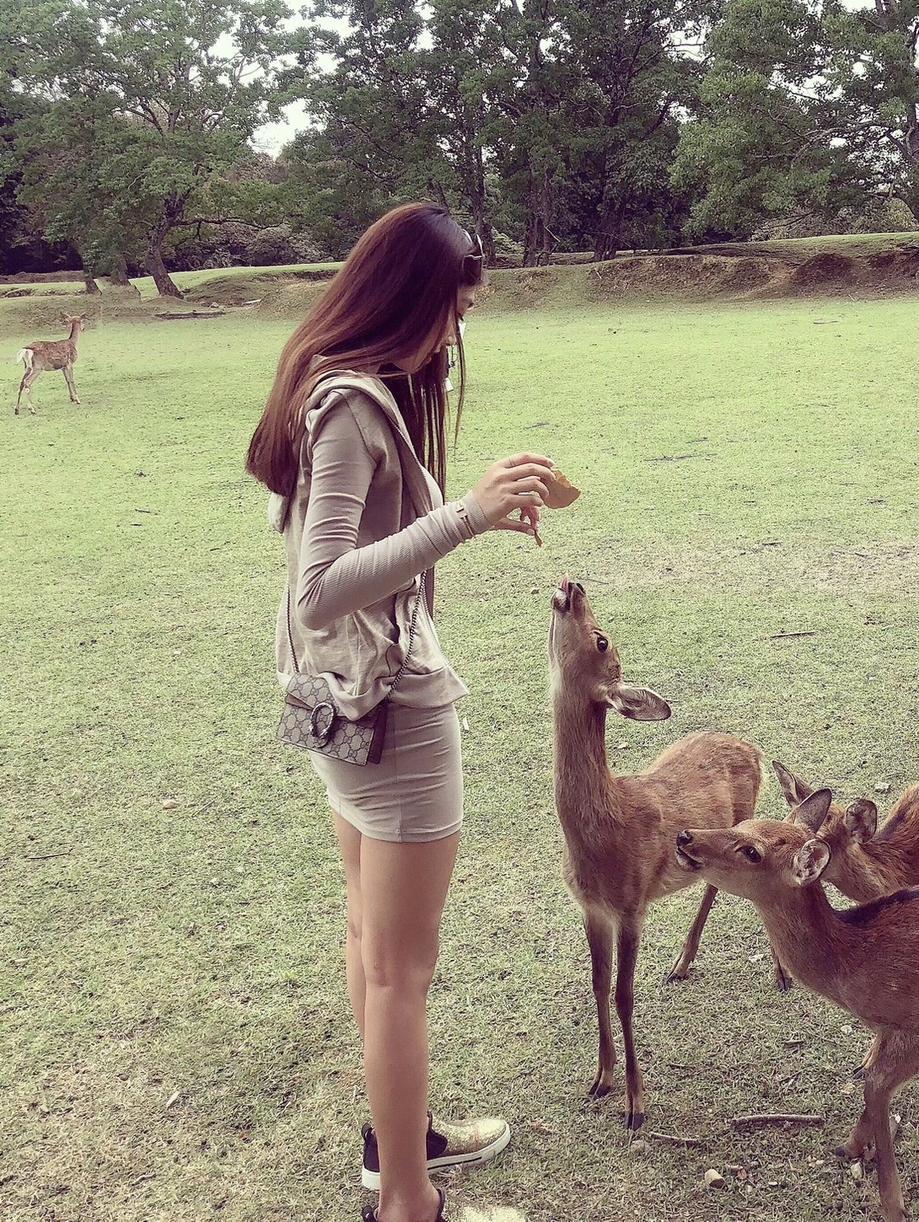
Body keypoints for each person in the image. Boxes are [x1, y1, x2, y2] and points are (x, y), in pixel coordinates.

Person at [246, 202, 553, 1222]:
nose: (454, 338)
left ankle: (398, 1141)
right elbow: (322, 587)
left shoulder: (334, 384)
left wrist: (465, 510)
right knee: (399, 971)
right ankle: (408, 1204)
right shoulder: (347, 405)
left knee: (373, 947)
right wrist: (462, 515)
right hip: (390, 715)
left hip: (340, 708)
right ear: (412, 299)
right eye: (452, 313)